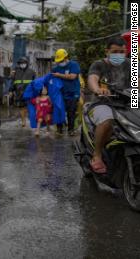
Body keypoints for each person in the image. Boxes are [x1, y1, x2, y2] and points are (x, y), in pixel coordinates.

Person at [86, 37, 131, 174]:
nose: (119, 55)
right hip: (101, 103)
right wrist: (98, 89)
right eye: (115, 51)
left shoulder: (131, 64)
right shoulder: (99, 65)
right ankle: (97, 155)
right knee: (108, 121)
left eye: (122, 52)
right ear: (107, 52)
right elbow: (92, 79)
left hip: (126, 105)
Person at [51, 49, 81, 136]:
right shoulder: (55, 68)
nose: (59, 62)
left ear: (66, 57)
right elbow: (51, 81)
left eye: (61, 60)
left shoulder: (74, 65)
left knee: (71, 112)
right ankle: (59, 130)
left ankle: (71, 130)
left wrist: (59, 75)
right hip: (61, 94)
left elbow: (72, 76)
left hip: (73, 93)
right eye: (58, 61)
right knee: (59, 111)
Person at [9, 57, 36, 127]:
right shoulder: (16, 72)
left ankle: (28, 119)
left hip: (29, 93)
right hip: (19, 93)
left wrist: (36, 92)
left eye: (23, 63)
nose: (22, 64)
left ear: (27, 63)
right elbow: (13, 82)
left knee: (28, 107)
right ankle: (23, 121)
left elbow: (35, 83)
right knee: (21, 107)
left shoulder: (32, 72)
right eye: (21, 63)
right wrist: (11, 91)